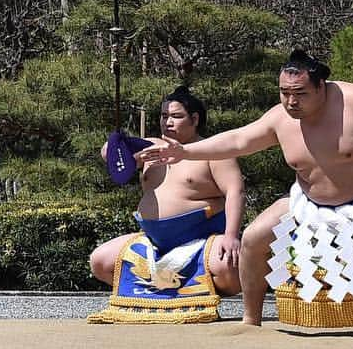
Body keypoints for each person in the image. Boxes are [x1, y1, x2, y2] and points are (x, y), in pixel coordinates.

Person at [139, 51, 353, 338]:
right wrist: (184, 151)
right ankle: (251, 320)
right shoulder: (279, 118)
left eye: (300, 93)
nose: (291, 101)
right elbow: (237, 140)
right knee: (253, 238)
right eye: (284, 93)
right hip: (308, 201)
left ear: (322, 87)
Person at [89, 86, 244, 323]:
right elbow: (107, 152)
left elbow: (235, 191)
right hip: (153, 242)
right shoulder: (151, 146)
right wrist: (130, 157)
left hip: (201, 240)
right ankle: (167, 294)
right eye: (163, 116)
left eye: (175, 116)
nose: (167, 122)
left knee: (229, 270)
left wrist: (231, 235)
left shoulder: (213, 150)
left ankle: (194, 293)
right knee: (100, 261)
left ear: (195, 119)